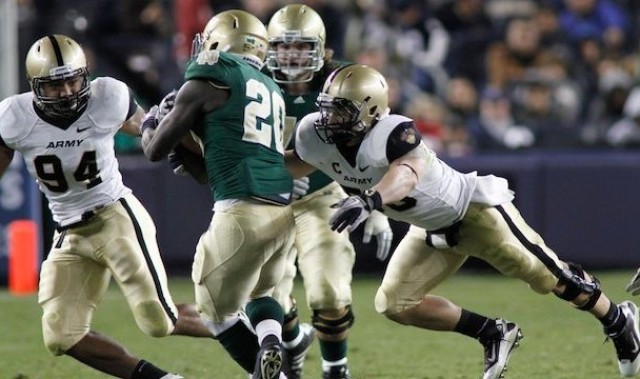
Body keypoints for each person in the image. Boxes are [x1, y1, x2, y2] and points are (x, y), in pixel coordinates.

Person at [284, 64, 640, 379]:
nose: (330, 120)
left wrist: (369, 200)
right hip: (428, 229)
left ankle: (618, 320)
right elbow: (298, 163)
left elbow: (405, 175)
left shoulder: (393, 133)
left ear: (371, 110)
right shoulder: (314, 134)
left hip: (474, 212)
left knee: (550, 277)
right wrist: (249, 163)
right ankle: (492, 333)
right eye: (327, 109)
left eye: (342, 111)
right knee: (394, 303)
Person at [0, 34, 214, 379]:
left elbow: (150, 135)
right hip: (68, 231)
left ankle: (246, 329)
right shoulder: (13, 116)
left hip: (114, 216)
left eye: (73, 80)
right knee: (61, 334)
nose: (68, 91)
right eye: (56, 85)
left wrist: (194, 146)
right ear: (35, 86)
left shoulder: (108, 96)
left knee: (159, 321)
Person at [140, 10, 295, 379]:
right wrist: (191, 152)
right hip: (283, 211)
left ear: (217, 42)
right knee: (261, 295)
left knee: (215, 314)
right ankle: (271, 342)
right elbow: (220, 162)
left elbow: (153, 150)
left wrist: (150, 123)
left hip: (240, 212)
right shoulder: (269, 87)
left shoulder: (210, 74)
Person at [264, 5, 393, 379]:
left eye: (301, 47)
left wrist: (377, 202)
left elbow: (375, 140)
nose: (291, 55)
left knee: (330, 295)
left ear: (321, 48)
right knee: (266, 294)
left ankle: (335, 368)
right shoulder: (250, 80)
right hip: (263, 199)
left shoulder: (343, 81)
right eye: (283, 47)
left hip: (322, 194)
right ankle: (292, 343)